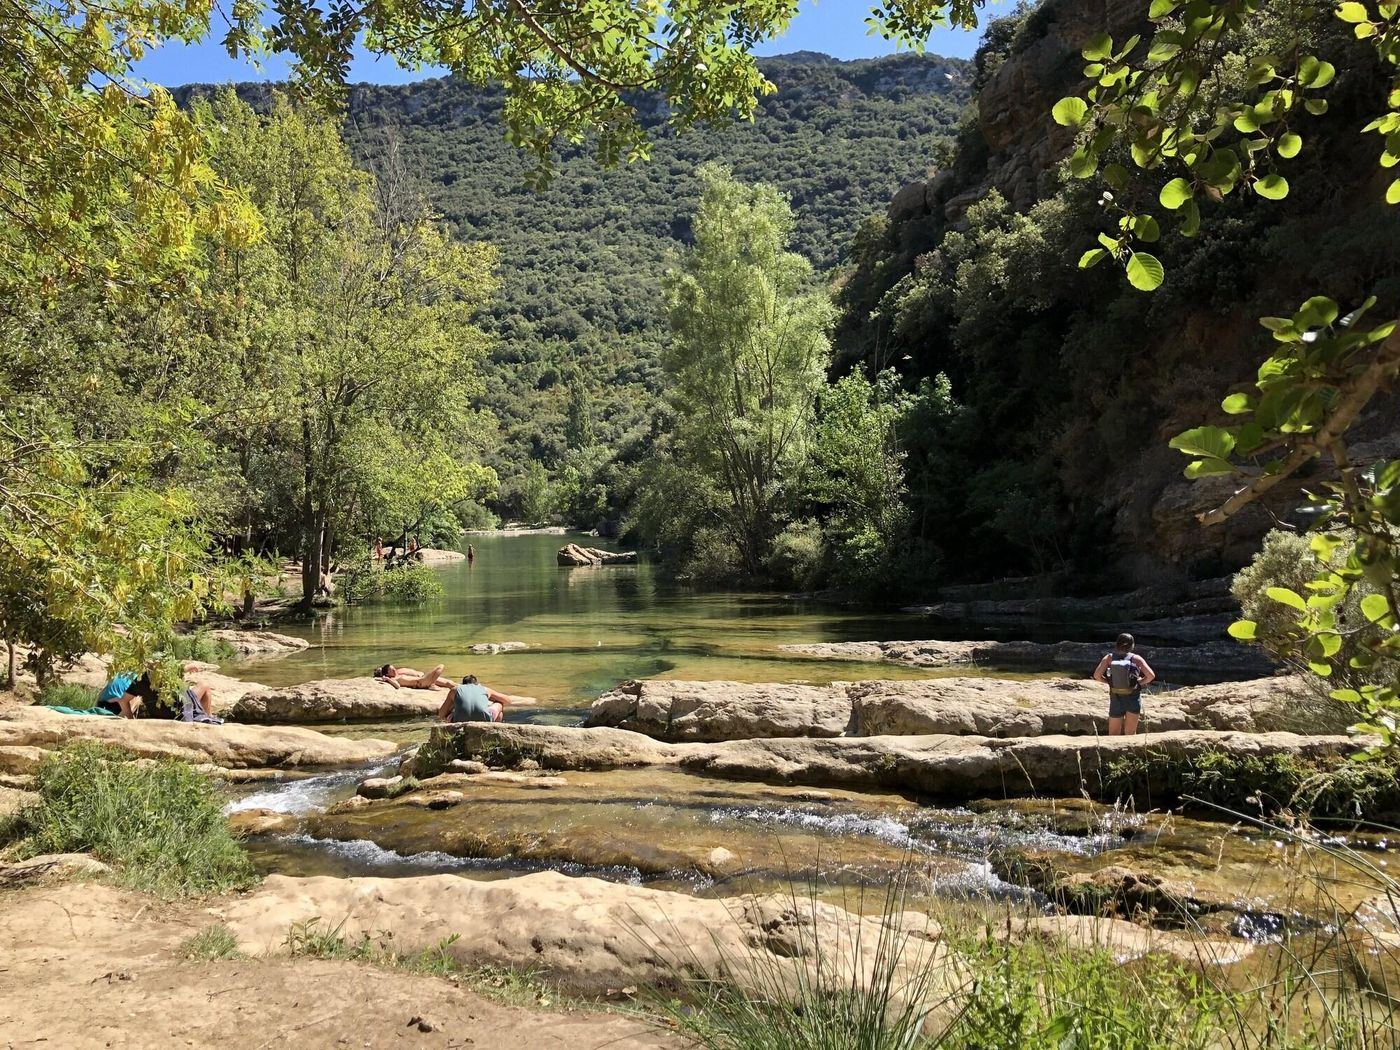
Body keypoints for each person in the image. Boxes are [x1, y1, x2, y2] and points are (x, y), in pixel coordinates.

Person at [1092, 632, 1156, 737]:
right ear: (1132, 645)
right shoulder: (1136, 658)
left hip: (1116, 697)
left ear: (1117, 644)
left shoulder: (1109, 658)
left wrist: (1109, 683)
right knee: (1130, 734)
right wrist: (1139, 683)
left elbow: (1097, 676)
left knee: (1113, 734)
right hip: (1133, 697)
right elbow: (1151, 676)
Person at [438, 674, 538, 723]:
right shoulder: (484, 689)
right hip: (484, 719)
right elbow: (507, 700)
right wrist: (489, 699)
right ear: (477, 683)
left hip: (458, 720)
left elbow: (441, 714)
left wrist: (452, 709)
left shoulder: (455, 690)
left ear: (463, 684)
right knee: (499, 704)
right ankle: (495, 730)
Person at [374, 663, 454, 690]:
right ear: (387, 674)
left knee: (449, 683)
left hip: (423, 679)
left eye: (394, 668)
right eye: (392, 670)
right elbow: (397, 686)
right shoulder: (394, 678)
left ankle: (464, 687)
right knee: (441, 666)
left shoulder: (398, 674)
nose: (394, 670)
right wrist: (387, 679)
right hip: (423, 681)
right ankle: (431, 684)